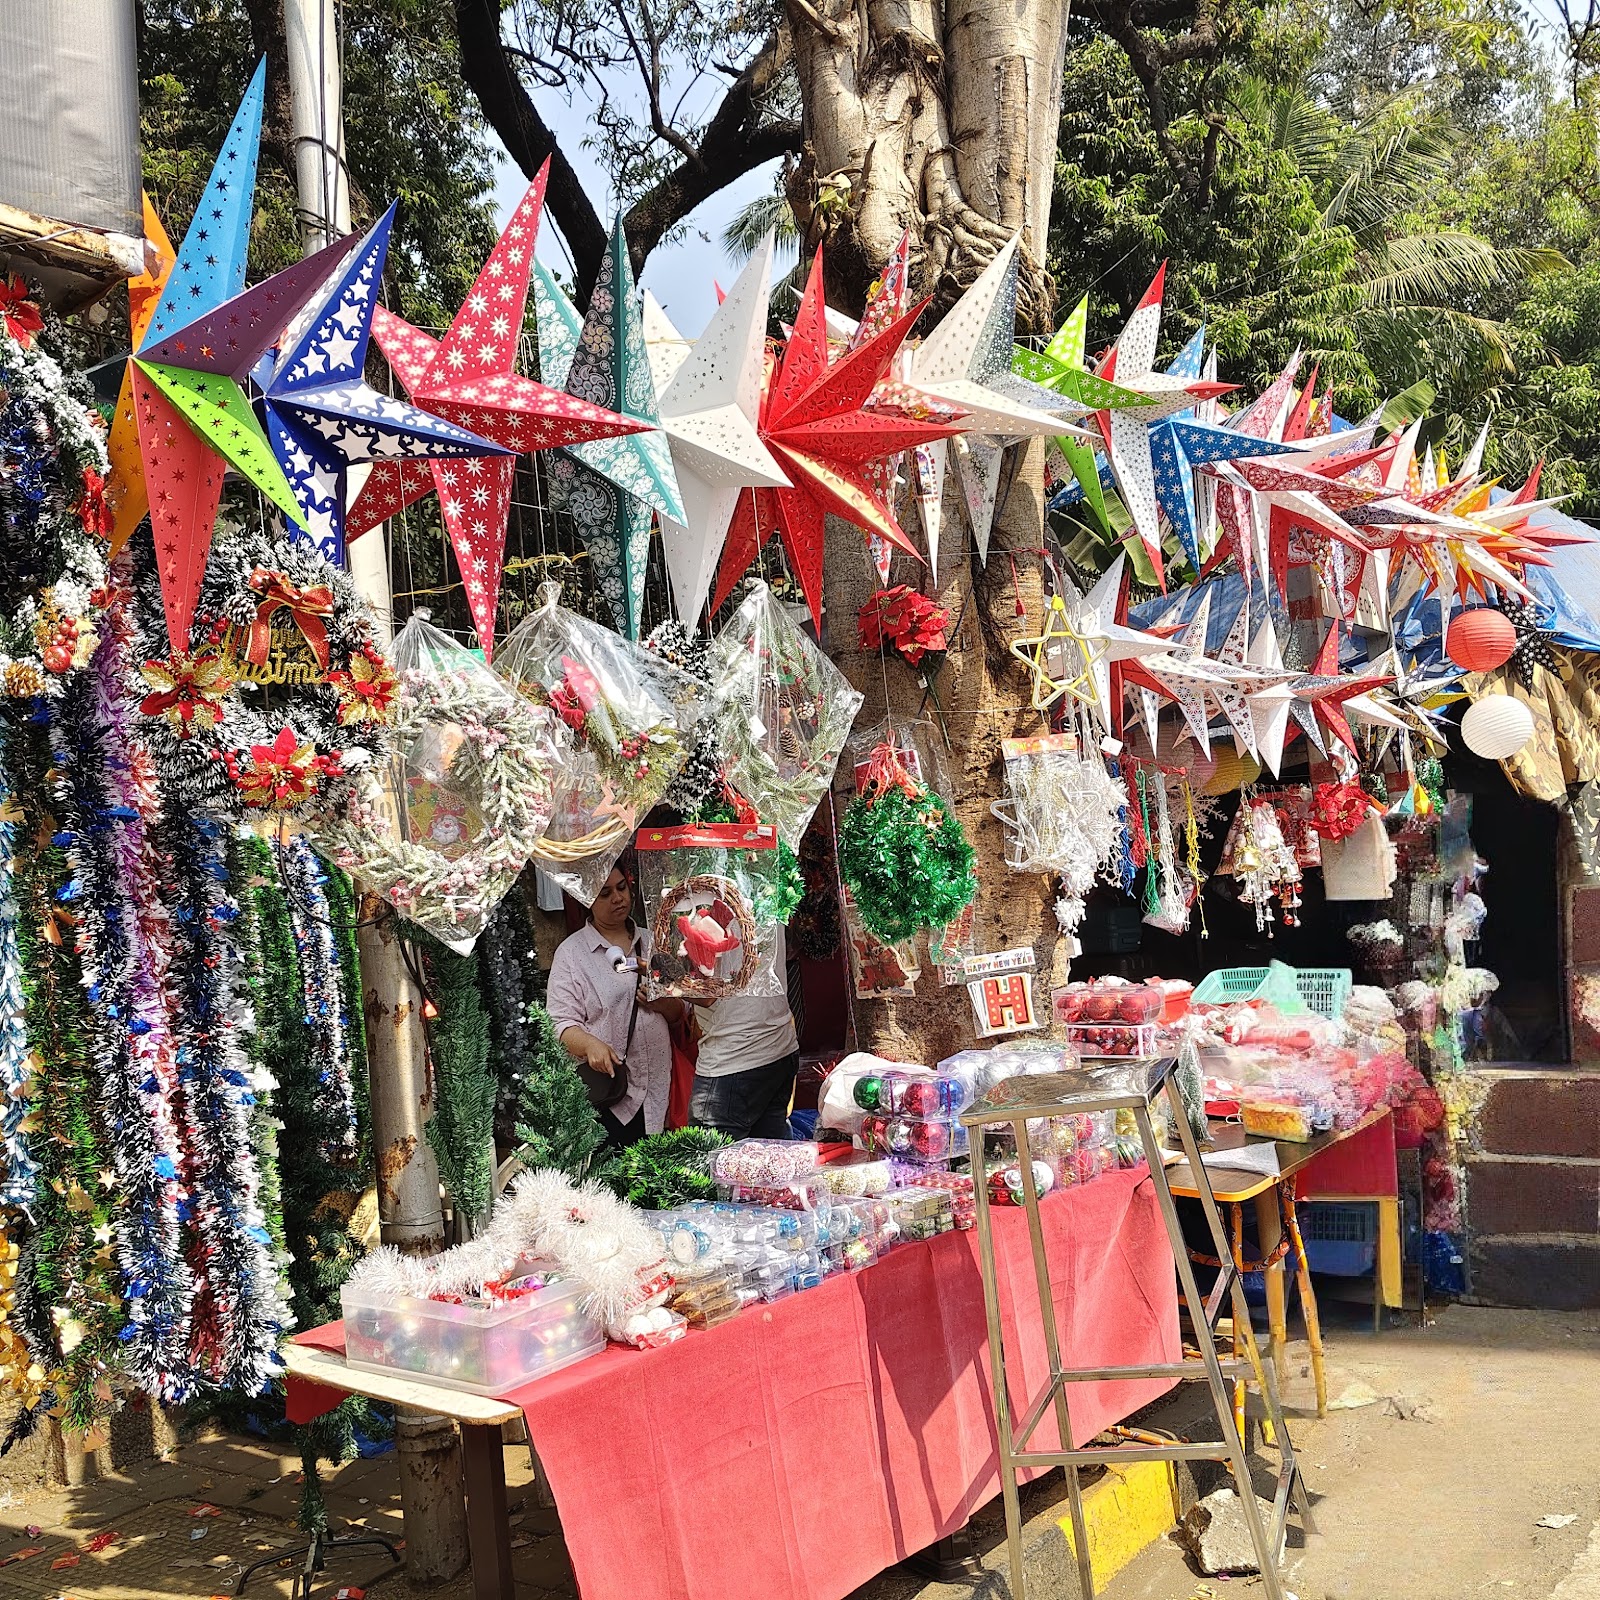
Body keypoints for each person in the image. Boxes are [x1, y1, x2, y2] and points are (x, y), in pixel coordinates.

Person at [547, 865, 683, 1148]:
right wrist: (589, 1045)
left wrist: (663, 1005)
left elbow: (682, 1012)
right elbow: (560, 1024)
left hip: (662, 1091)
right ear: (588, 900)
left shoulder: (653, 942)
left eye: (621, 888)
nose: (618, 898)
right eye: (605, 894)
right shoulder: (572, 954)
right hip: (613, 1092)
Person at [688, 926, 799, 1139]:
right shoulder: (764, 892)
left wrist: (654, 973)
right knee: (770, 1161)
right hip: (778, 1044)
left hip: (733, 1057)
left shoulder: (701, 896)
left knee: (712, 1166)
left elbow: (705, 994)